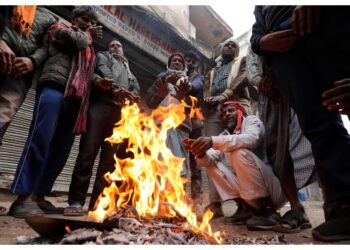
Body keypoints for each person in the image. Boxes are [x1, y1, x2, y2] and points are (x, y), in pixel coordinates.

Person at [251, 6, 350, 241]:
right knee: (319, 126)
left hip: (324, 26)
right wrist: (263, 42)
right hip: (286, 59)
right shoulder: (260, 8)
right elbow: (256, 35)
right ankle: (344, 207)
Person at [8, 6, 101, 218]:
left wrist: (101, 82)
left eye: (91, 21)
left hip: (76, 100)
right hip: (55, 88)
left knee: (61, 150)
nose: (88, 23)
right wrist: (87, 34)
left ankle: (39, 196)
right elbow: (75, 40)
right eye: (84, 18)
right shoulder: (59, 28)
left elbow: (88, 74)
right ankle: (22, 197)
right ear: (74, 18)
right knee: (40, 140)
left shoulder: (89, 50)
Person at [64, 39, 141, 216]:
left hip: (120, 114)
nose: (115, 47)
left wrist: (132, 97)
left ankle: (97, 205)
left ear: (123, 50)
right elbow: (104, 72)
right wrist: (116, 89)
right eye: (112, 44)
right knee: (87, 153)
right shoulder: (103, 57)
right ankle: (76, 202)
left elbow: (136, 88)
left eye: (118, 45)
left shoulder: (129, 70)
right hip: (100, 106)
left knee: (108, 162)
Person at [246, 45, 317, 233]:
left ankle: (336, 208)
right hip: (272, 91)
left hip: (305, 79)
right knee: (277, 150)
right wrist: (261, 81)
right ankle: (297, 208)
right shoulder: (260, 28)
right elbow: (253, 58)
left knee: (321, 138)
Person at [184, 101, 283, 230]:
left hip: (271, 191)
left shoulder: (251, 121)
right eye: (224, 114)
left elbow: (252, 139)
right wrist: (201, 152)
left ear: (240, 111)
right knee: (212, 165)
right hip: (248, 195)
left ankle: (268, 212)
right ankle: (246, 208)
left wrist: (213, 141)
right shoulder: (225, 135)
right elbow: (205, 161)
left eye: (231, 110)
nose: (227, 115)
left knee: (239, 152)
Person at [203, 38, 252, 217]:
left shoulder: (243, 61)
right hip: (214, 111)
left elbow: (246, 76)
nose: (230, 47)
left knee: (240, 152)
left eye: (234, 45)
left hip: (236, 105)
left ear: (237, 51)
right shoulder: (212, 71)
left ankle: (247, 204)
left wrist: (225, 95)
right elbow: (207, 90)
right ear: (221, 50)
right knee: (210, 153)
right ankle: (215, 204)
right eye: (226, 45)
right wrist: (208, 99)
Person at [0, 6, 56, 146]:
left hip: (19, 73)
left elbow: (46, 46)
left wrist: (32, 61)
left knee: (3, 117)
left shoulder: (49, 18)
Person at [146, 52, 192, 177]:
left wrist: (183, 98)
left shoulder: (190, 83)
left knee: (179, 169)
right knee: (158, 168)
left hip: (181, 129)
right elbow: (150, 102)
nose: (176, 62)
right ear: (169, 64)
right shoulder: (160, 80)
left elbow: (194, 109)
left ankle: (177, 196)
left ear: (183, 66)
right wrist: (159, 96)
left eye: (179, 61)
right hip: (160, 127)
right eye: (174, 60)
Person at [184, 50, 204, 201]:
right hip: (178, 124)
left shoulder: (199, 78)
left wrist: (185, 86)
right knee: (178, 161)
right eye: (187, 60)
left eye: (192, 61)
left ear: (196, 65)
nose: (189, 63)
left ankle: (196, 200)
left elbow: (195, 86)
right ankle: (180, 198)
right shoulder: (178, 74)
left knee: (195, 162)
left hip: (195, 125)